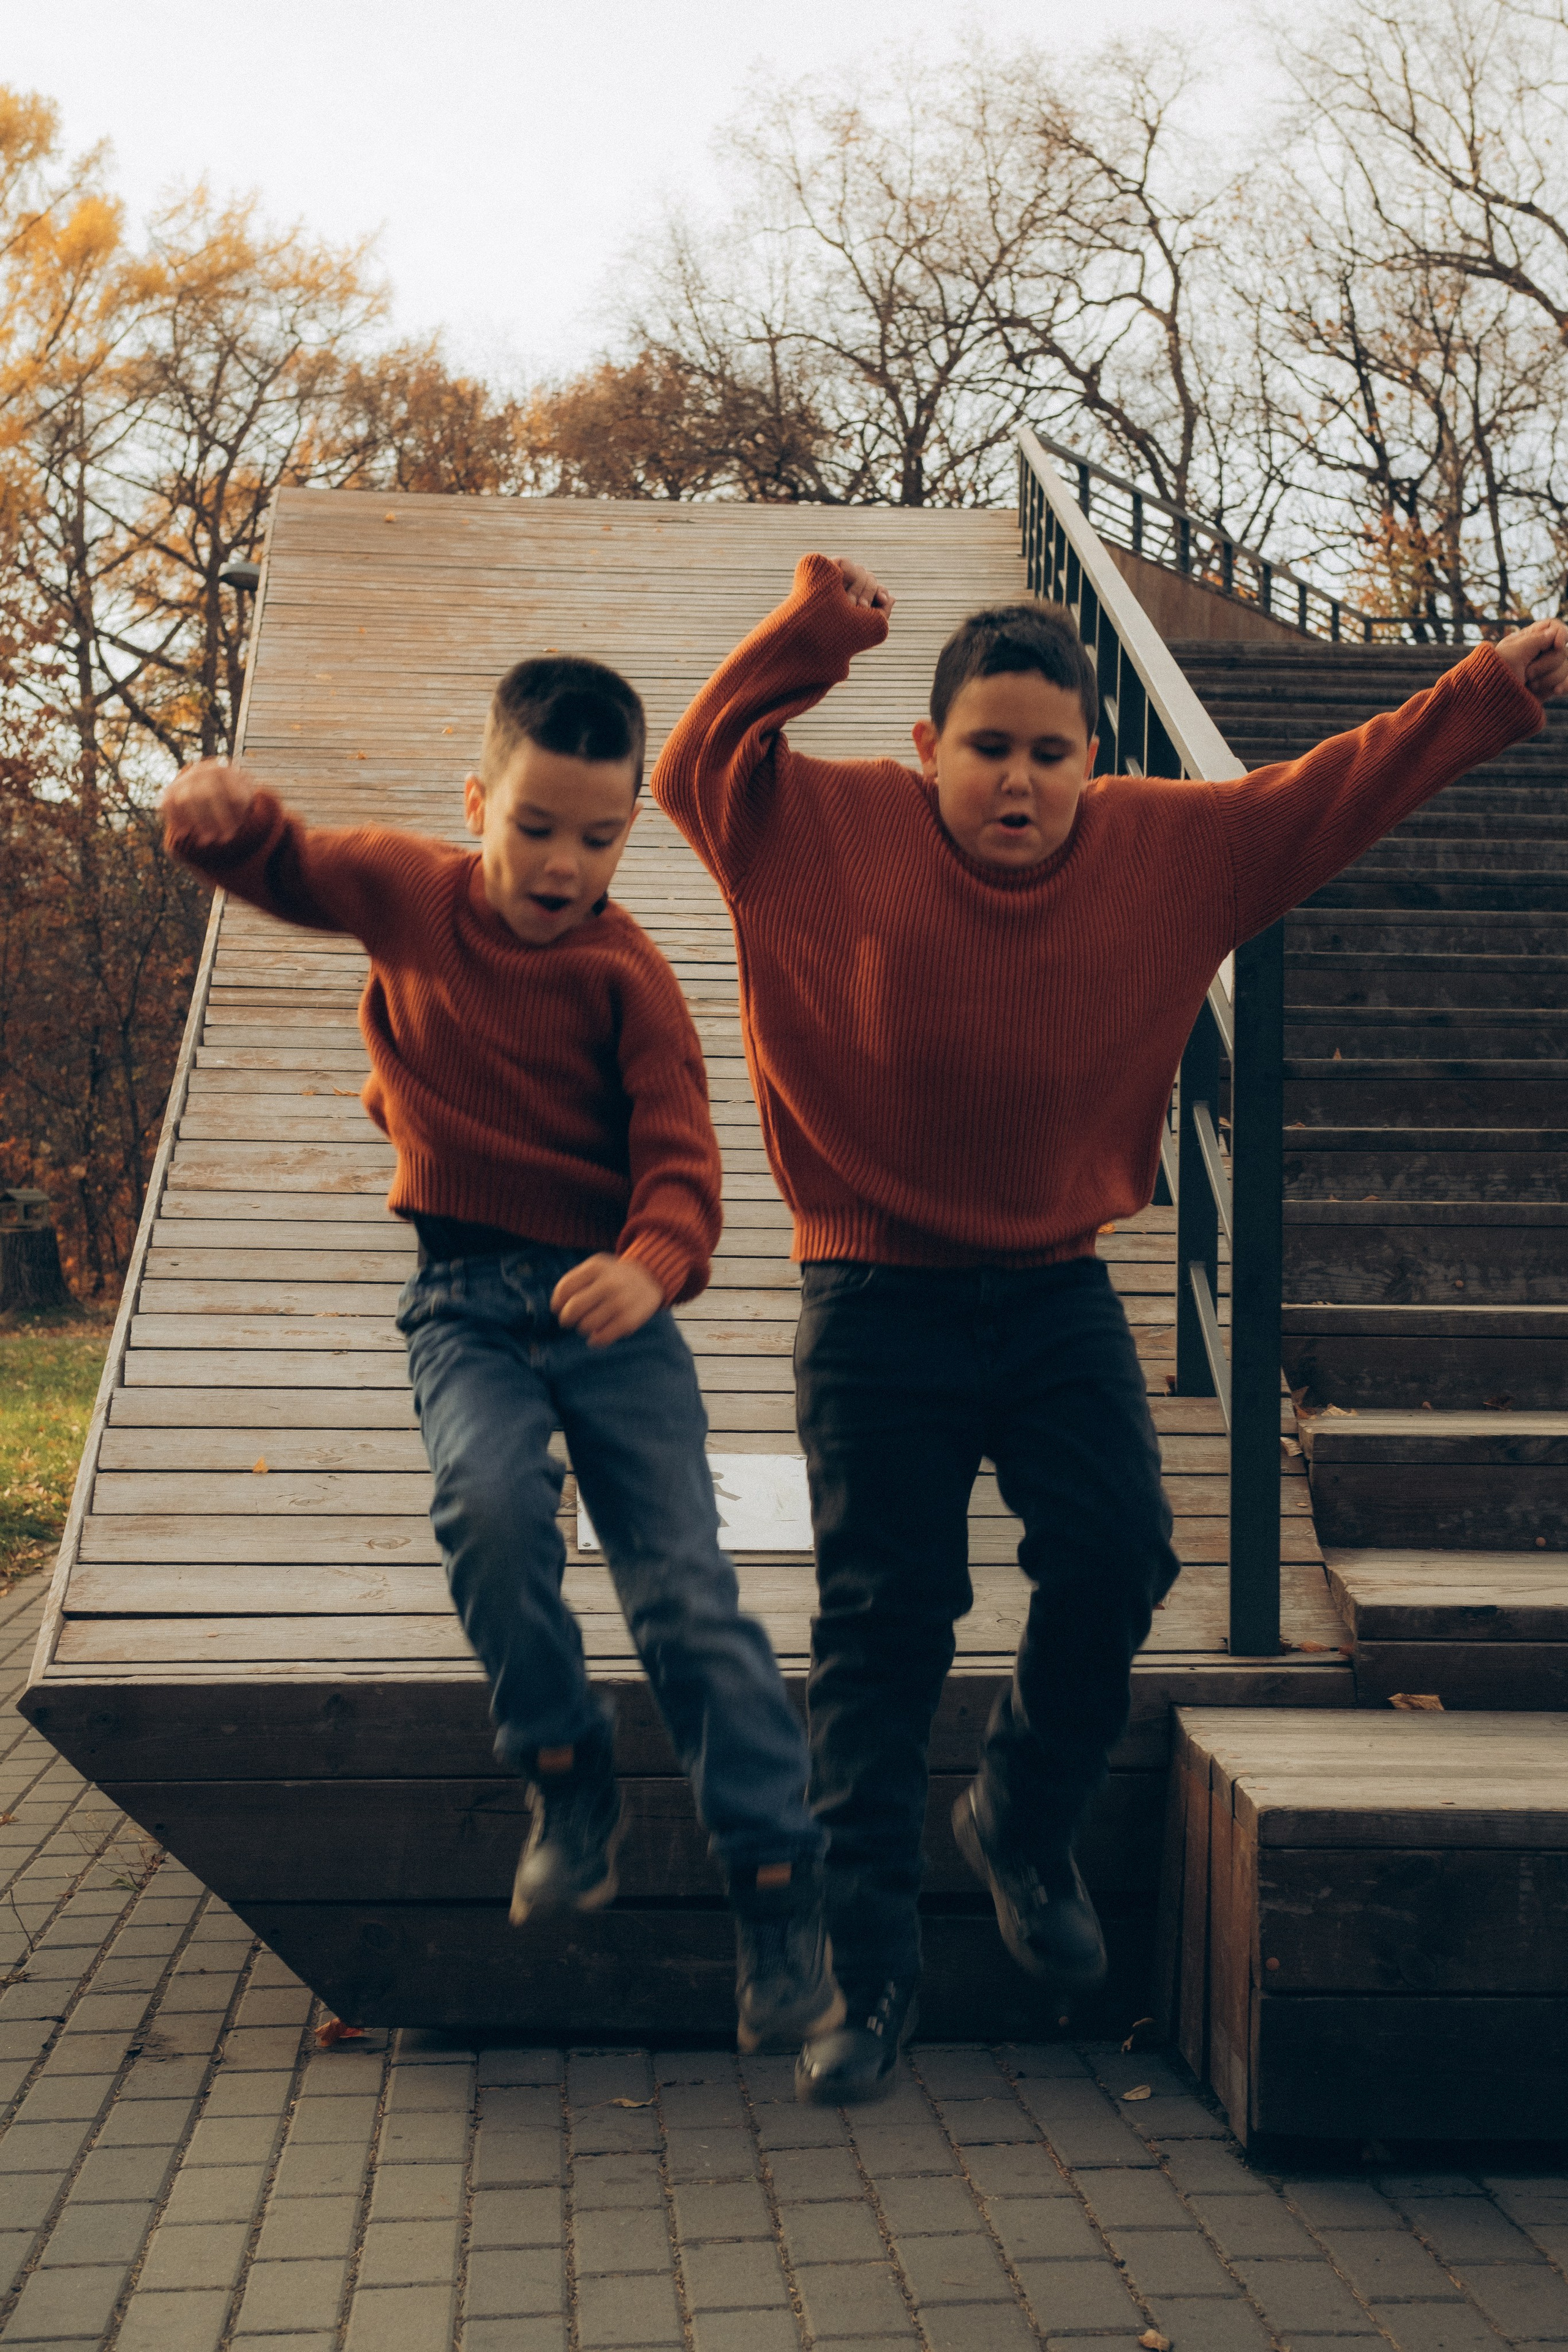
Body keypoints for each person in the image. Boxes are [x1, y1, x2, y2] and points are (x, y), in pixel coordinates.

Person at [654, 554, 1568, 2105]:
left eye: (1050, 751)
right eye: (987, 746)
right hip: (870, 1298)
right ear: (927, 751)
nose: (1017, 780)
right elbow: (695, 766)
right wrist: (817, 630)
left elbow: (1328, 792)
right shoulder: (821, 830)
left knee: (1122, 1550)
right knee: (884, 1631)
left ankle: (1018, 1813)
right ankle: (869, 1980)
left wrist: (1484, 691)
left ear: (1096, 760)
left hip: (1054, 1289)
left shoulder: (1169, 852)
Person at [161, 652, 844, 2057]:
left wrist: (651, 1267)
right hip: (463, 1300)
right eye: (535, 827)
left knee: (684, 1600)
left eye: (598, 839)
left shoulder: (627, 977)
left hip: (612, 1311)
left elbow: (684, 1166)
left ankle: (778, 1904)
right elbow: (285, 863)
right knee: (485, 1504)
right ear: (480, 803)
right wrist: (216, 816)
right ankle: (566, 1777)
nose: (561, 865)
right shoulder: (408, 889)